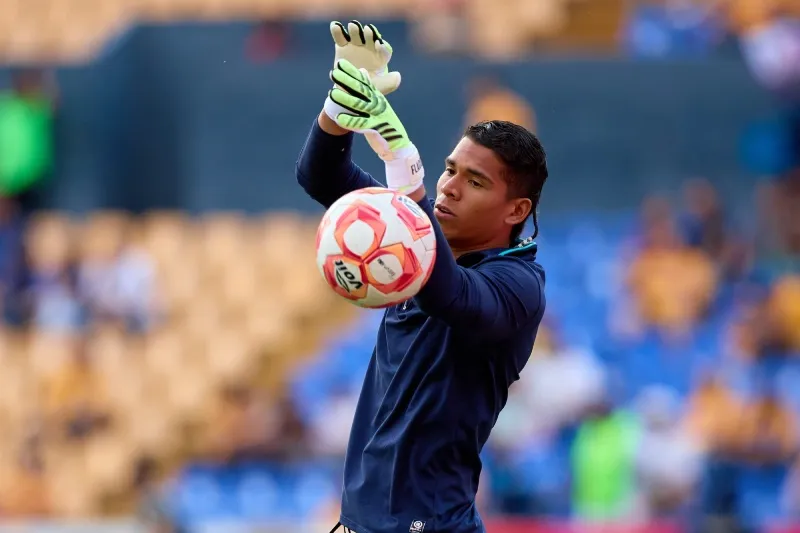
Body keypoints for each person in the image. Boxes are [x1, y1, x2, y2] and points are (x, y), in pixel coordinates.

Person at [295, 21, 548, 533]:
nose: (449, 187)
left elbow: (448, 293)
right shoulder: (411, 231)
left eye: (474, 181)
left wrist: (404, 172)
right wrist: (340, 107)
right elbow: (318, 176)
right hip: (360, 523)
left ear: (515, 209)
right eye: (449, 169)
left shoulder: (520, 285)